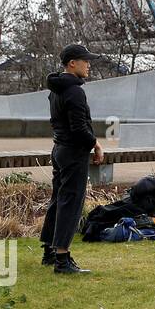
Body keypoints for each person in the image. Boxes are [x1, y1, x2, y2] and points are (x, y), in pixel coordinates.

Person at [40, 44, 104, 274]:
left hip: (59, 150)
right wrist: (95, 144)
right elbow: (79, 128)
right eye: (85, 60)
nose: (89, 64)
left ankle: (49, 251)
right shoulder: (75, 90)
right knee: (70, 203)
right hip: (73, 152)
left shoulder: (55, 88)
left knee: (58, 200)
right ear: (72, 63)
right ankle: (62, 259)